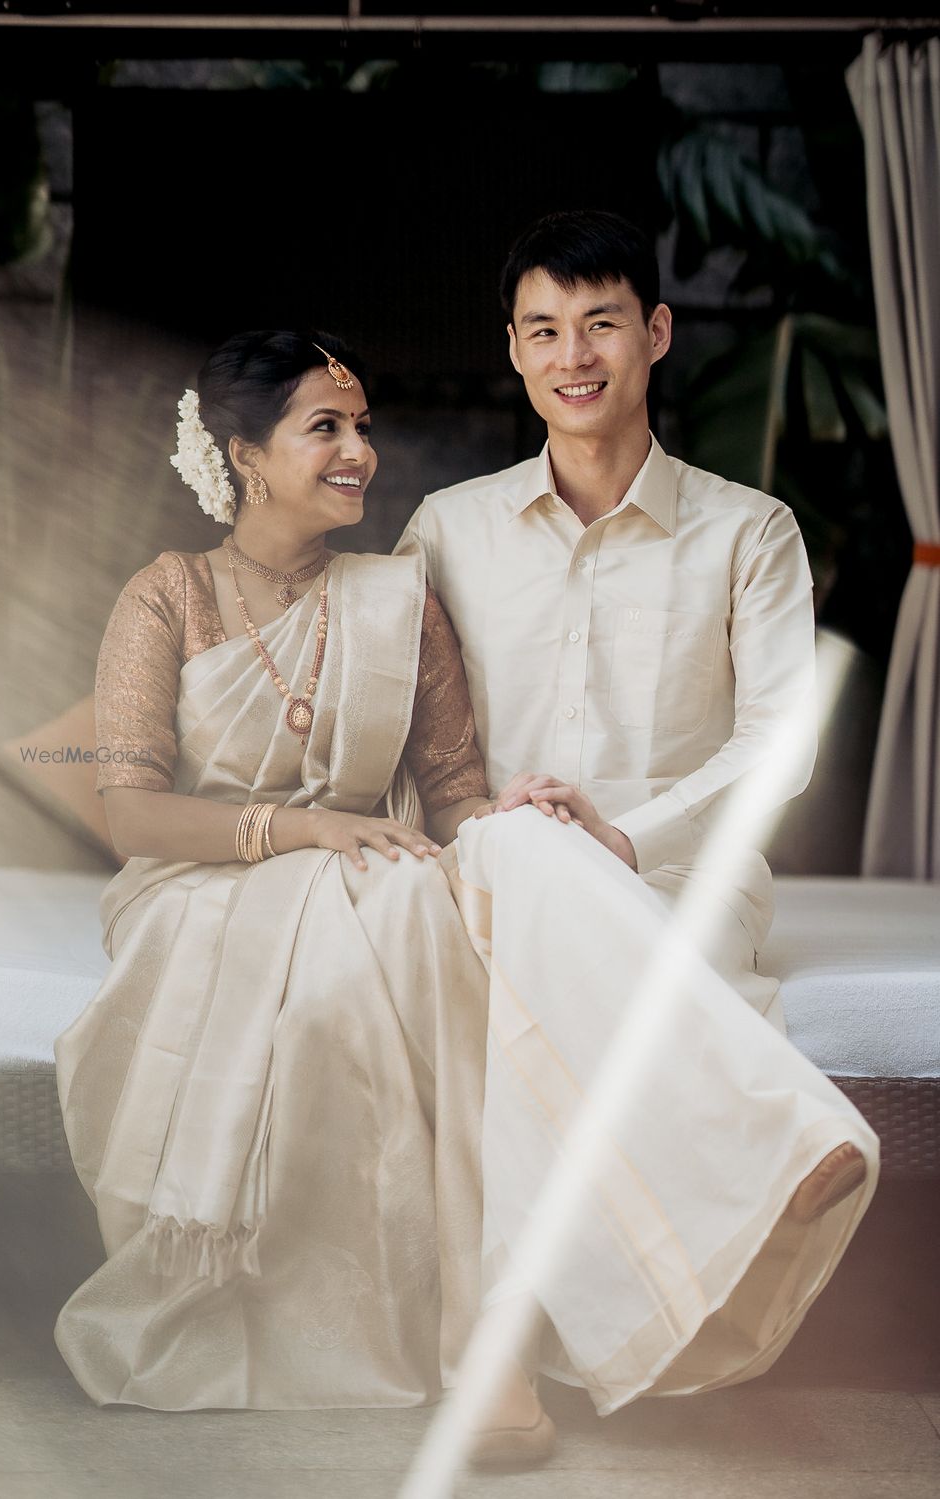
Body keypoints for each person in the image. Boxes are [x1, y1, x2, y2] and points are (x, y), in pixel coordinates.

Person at [396, 208, 879, 1462]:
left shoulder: (746, 530)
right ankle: (771, 1126)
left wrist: (625, 832)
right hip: (494, 877)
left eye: (601, 322)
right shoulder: (445, 528)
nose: (575, 354)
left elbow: (780, 745)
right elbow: (404, 735)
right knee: (508, 861)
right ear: (512, 350)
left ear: (653, 333)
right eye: (544, 329)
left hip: (676, 882)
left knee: (532, 904)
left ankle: (495, 1355)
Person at [53, 330, 494, 1410]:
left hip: (368, 877)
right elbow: (131, 816)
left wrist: (515, 835)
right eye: (326, 428)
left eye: (364, 428)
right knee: (346, 931)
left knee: (407, 921)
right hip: (196, 886)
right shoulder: (167, 597)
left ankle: (448, 1318)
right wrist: (302, 835)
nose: (360, 453)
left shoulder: (401, 602)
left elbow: (457, 795)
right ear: (243, 453)